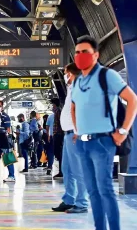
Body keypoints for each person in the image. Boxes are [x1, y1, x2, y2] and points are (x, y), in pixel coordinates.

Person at [71, 35, 137, 230]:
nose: (80, 56)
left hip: (103, 142)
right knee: (92, 191)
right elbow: (74, 107)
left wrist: (123, 131)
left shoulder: (106, 76)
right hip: (83, 144)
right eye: (77, 52)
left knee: (105, 190)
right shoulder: (77, 82)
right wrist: (77, 130)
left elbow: (132, 100)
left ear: (96, 54)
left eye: (85, 52)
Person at [53, 62, 89, 213]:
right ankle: (69, 199)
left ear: (73, 73)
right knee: (67, 169)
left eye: (66, 72)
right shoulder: (71, 88)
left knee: (78, 170)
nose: (65, 75)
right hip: (68, 134)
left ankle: (82, 203)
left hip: (75, 134)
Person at [0, 100, 15, 182]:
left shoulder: (5, 116)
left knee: (8, 157)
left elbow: (8, 129)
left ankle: (11, 176)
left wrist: (7, 137)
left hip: (4, 138)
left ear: (2, 107)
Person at [50, 98, 64, 178]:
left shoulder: (58, 111)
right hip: (57, 134)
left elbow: (60, 123)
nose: (52, 107)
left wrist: (60, 134)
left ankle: (61, 171)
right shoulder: (56, 112)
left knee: (59, 153)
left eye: (52, 105)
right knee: (57, 153)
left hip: (59, 134)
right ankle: (61, 171)